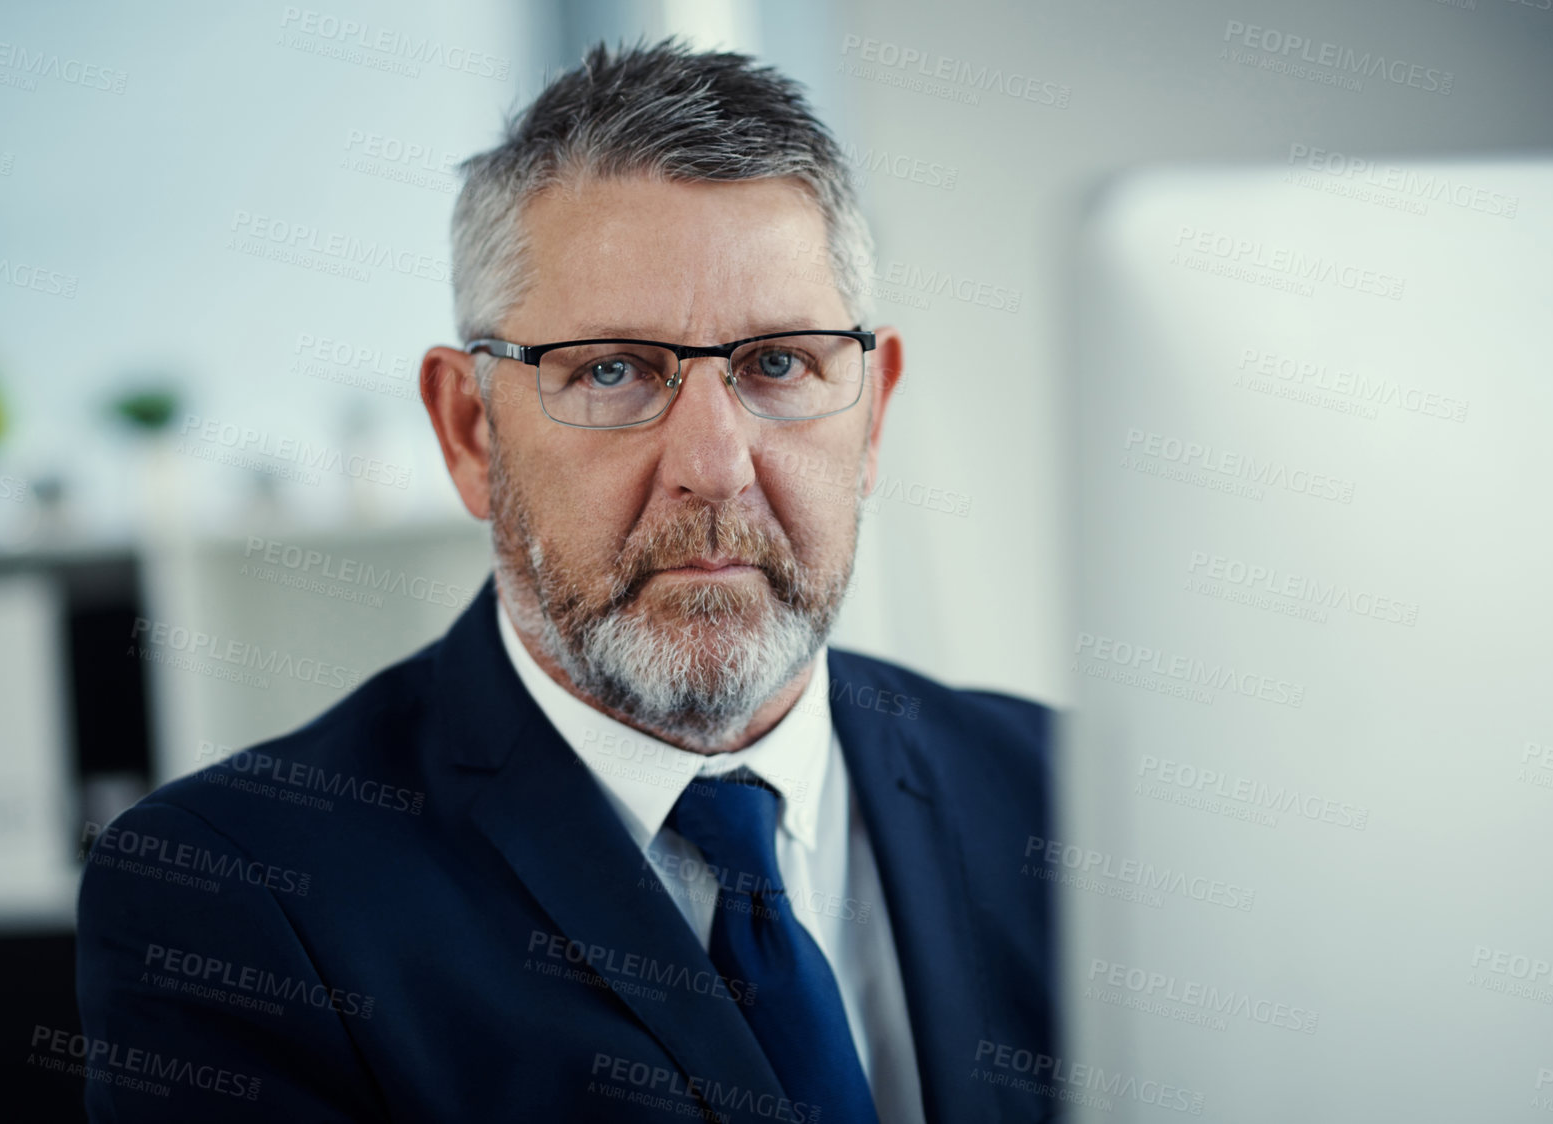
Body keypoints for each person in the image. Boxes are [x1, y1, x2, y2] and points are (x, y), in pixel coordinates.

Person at [76, 38, 1055, 1123]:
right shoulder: (234, 898)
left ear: (870, 414)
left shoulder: (1069, 799)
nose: (714, 465)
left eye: (779, 363)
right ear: (468, 430)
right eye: (611, 369)